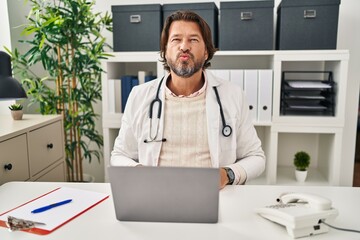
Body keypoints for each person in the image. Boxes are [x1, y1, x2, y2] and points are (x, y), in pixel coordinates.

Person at [111, 10, 265, 189]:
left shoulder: (233, 95)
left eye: (193, 39)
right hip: (155, 195)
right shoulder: (140, 95)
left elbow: (256, 157)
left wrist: (226, 174)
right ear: (165, 51)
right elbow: (119, 155)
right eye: (176, 39)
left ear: (206, 52)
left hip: (214, 197)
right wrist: (138, 170)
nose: (184, 46)